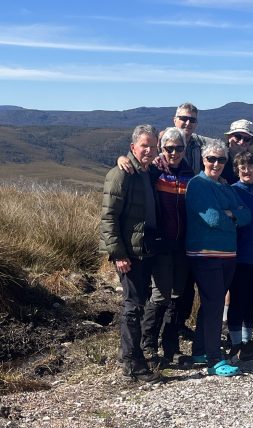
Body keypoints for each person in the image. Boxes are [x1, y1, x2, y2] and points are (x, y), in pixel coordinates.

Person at [99, 125, 163, 383]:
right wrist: (118, 254)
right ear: (133, 145)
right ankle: (132, 364)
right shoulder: (121, 174)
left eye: (153, 146)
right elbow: (108, 217)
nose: (148, 150)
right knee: (133, 306)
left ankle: (131, 353)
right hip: (129, 253)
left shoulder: (147, 172)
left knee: (139, 302)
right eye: (144, 145)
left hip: (144, 248)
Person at [185, 140, 251, 377]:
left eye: (221, 159)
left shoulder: (226, 186)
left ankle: (201, 349)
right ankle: (214, 359)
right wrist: (231, 216)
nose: (216, 163)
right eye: (211, 158)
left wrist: (231, 214)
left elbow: (247, 215)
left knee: (210, 304)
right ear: (203, 160)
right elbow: (212, 219)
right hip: (205, 255)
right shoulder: (197, 185)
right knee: (214, 304)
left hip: (227, 254)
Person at [141, 127, 195, 367]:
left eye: (179, 148)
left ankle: (170, 347)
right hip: (161, 244)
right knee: (159, 296)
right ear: (161, 149)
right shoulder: (152, 171)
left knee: (177, 296)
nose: (174, 152)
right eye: (168, 148)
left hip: (183, 244)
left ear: (185, 149)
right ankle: (148, 347)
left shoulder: (189, 173)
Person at [226, 151, 253, 361]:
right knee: (237, 300)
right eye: (242, 167)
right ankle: (235, 344)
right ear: (237, 170)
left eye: (250, 166)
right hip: (239, 256)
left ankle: (247, 342)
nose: (246, 170)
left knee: (252, 300)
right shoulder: (231, 191)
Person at [221, 119, 253, 184]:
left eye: (247, 139)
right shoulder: (217, 158)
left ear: (250, 142)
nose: (241, 142)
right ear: (229, 137)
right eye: (238, 137)